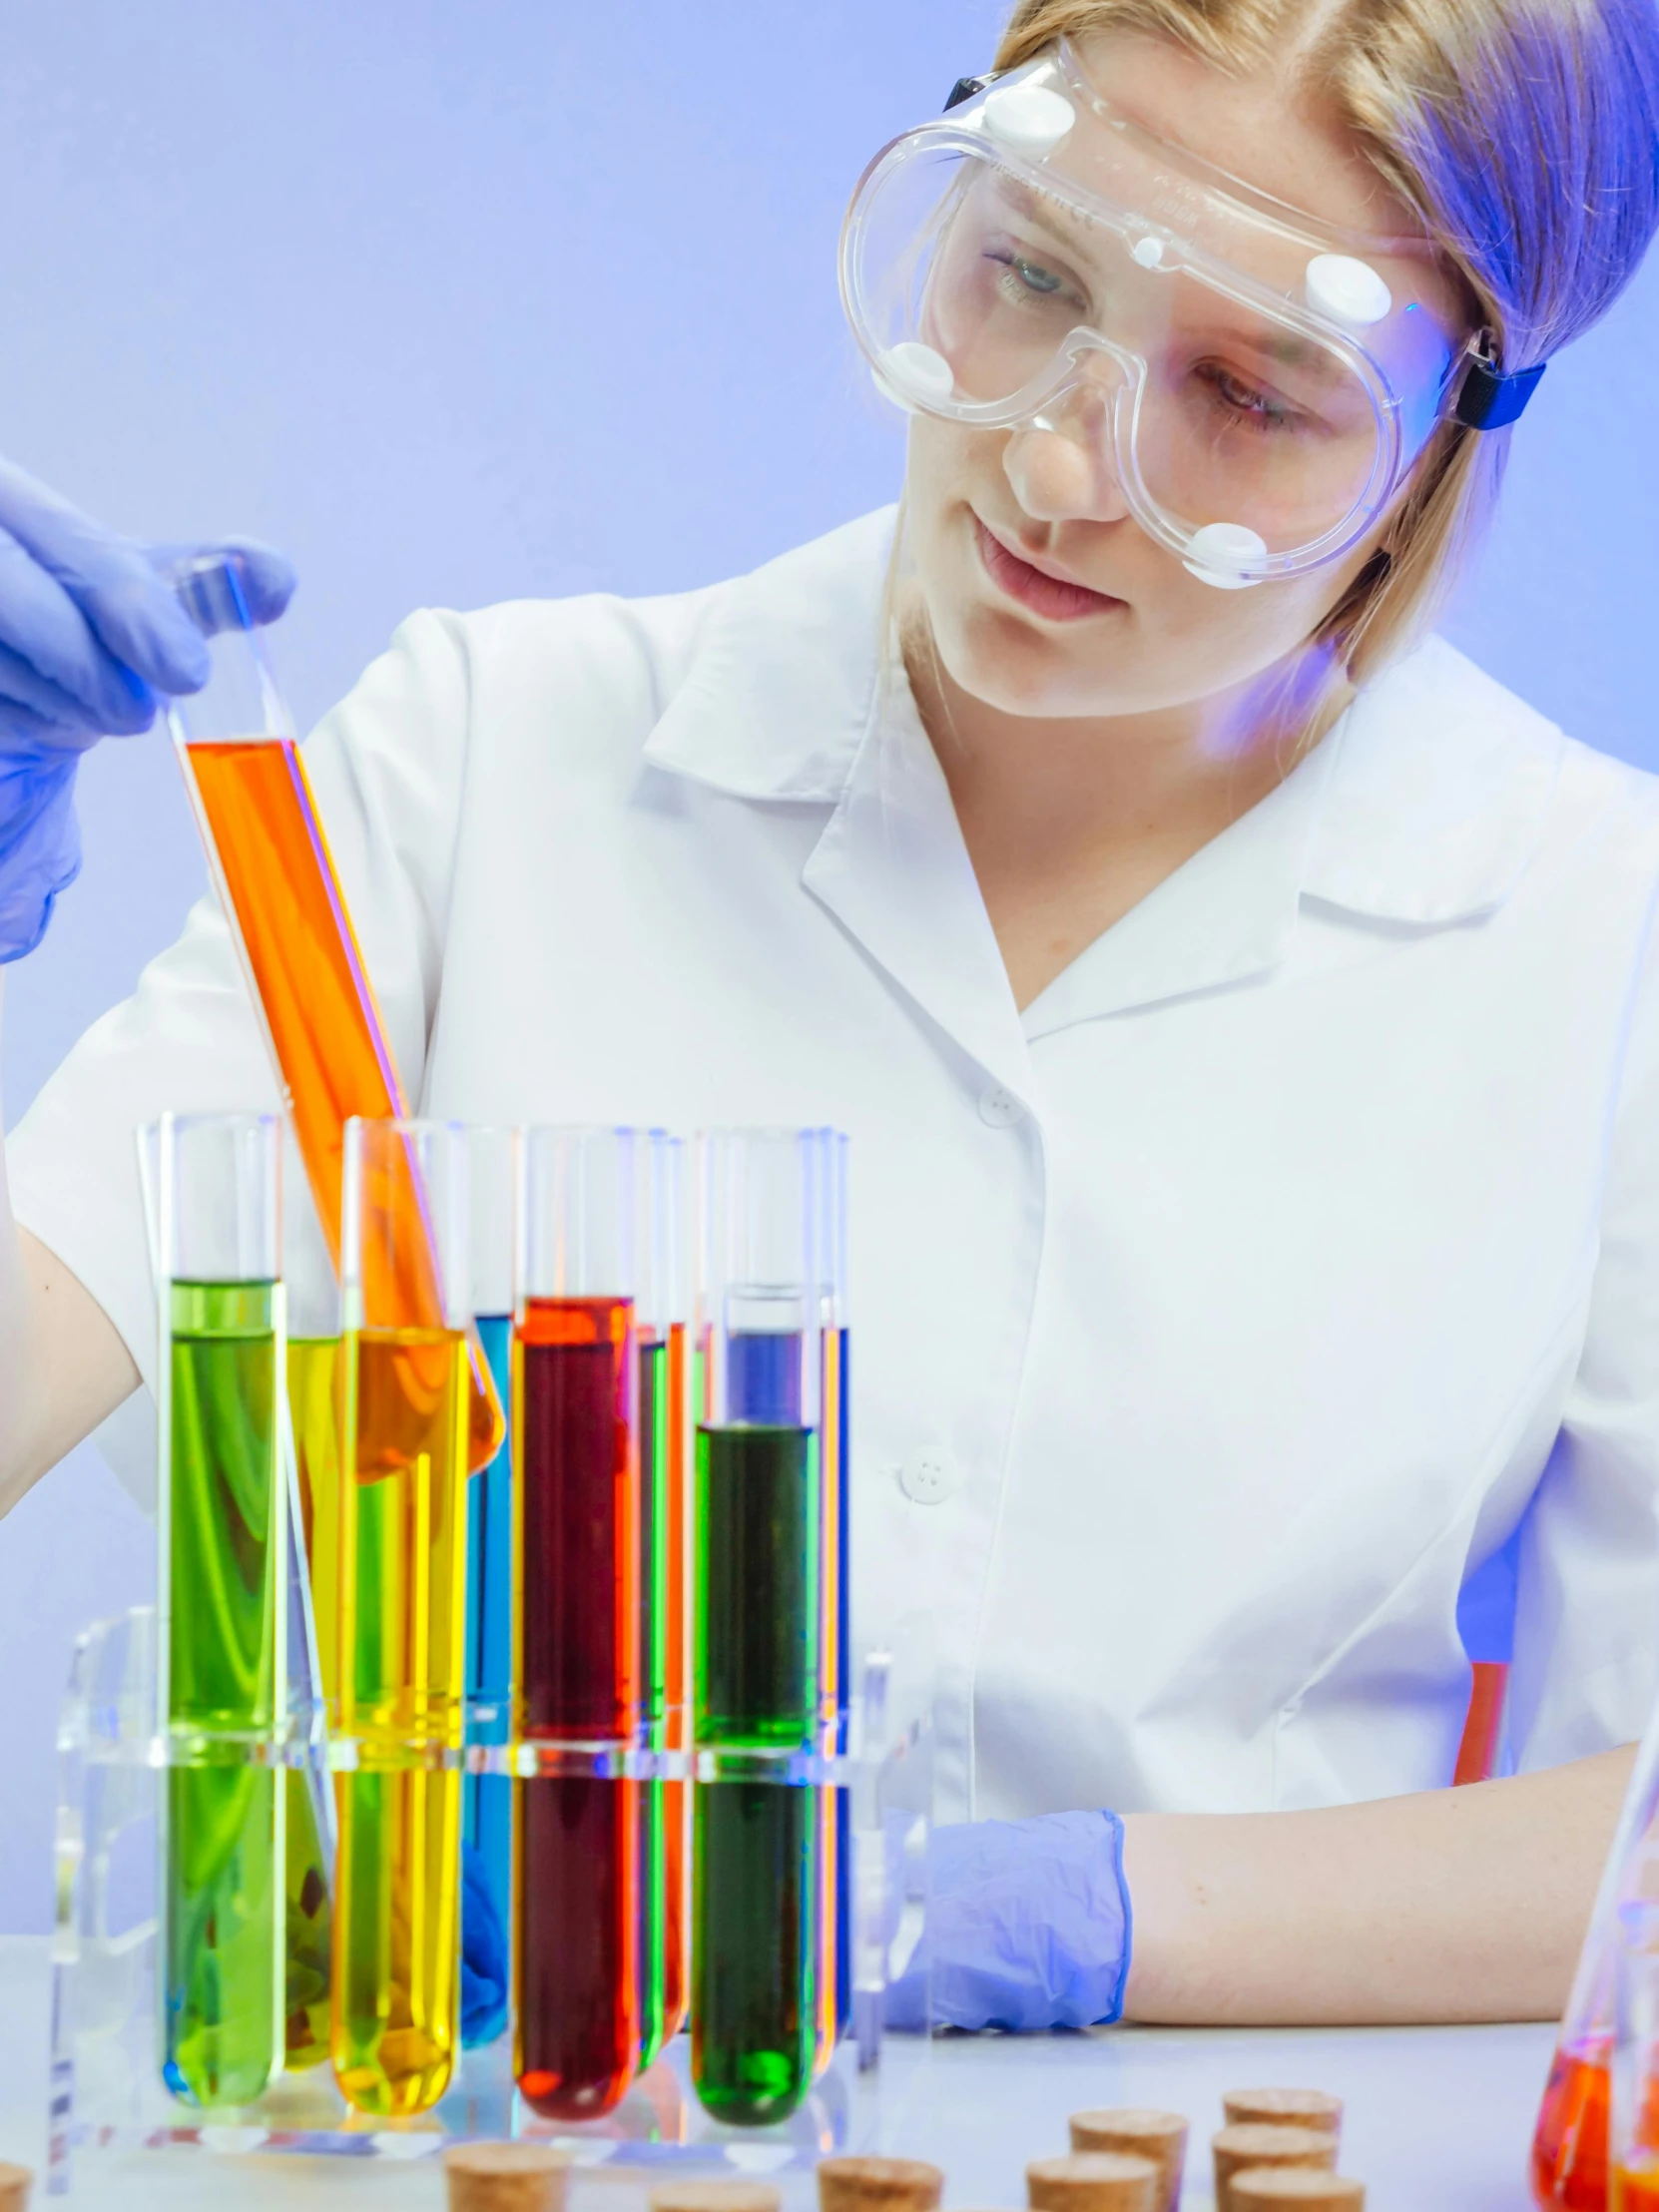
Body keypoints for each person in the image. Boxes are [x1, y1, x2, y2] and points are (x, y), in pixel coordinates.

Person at [4, 0, 1659, 2036]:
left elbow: (1644, 1825)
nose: (1057, 458)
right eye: (1030, 273)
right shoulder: (489, 758)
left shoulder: (1606, 936)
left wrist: (1093, 1914)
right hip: (471, 2126)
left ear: (1440, 451)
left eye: (1252, 388)